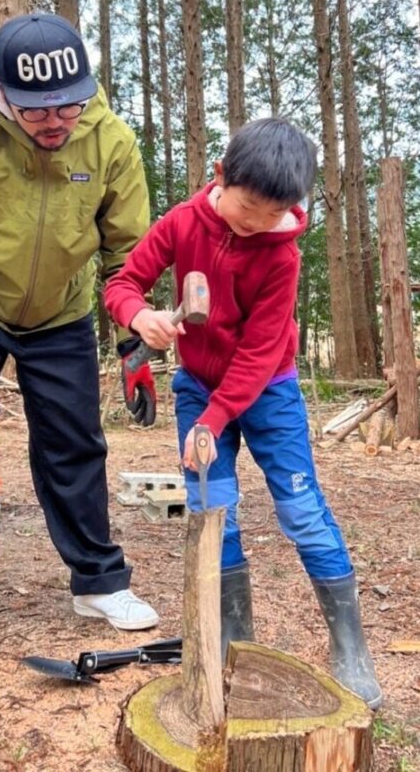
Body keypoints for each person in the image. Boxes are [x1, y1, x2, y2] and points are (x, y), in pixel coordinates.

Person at [0, 12, 159, 683]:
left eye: (69, 105)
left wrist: (133, 341)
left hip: (63, 311)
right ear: (3, 96)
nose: (56, 122)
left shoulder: (108, 140)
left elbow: (128, 250)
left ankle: (98, 581)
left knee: (76, 443)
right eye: (37, 110)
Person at [104, 118, 382, 708]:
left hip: (267, 392)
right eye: (248, 205)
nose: (256, 222)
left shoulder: (282, 258)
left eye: (272, 212)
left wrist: (215, 418)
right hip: (199, 387)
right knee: (213, 512)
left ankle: (350, 645)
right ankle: (232, 643)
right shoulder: (182, 223)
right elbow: (123, 283)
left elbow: (259, 354)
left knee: (302, 511)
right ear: (222, 176)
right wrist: (138, 316)